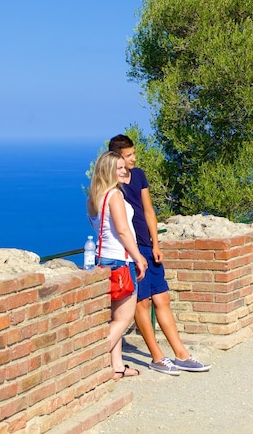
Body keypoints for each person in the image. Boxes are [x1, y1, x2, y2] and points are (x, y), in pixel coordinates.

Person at [109, 134, 211, 375]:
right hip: (132, 250)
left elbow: (148, 209)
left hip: (148, 245)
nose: (133, 159)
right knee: (141, 304)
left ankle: (182, 355)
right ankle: (157, 356)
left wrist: (156, 243)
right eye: (128, 156)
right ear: (116, 158)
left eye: (133, 154)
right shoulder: (113, 185)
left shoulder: (140, 176)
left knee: (162, 298)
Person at [88, 150, 148, 380]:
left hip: (103, 260)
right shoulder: (114, 196)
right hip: (121, 261)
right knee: (124, 319)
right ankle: (90, 364)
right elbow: (123, 230)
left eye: (124, 167)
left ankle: (117, 367)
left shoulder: (94, 198)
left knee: (115, 318)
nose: (125, 171)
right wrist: (139, 258)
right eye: (119, 168)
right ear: (108, 171)